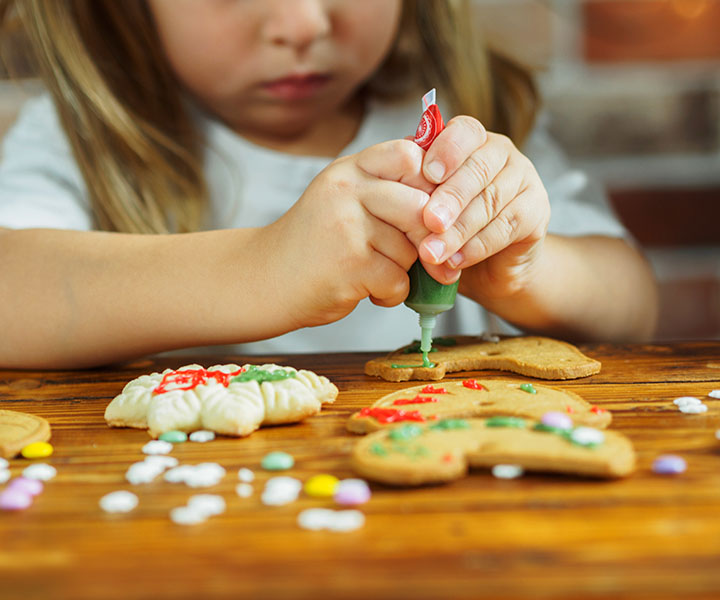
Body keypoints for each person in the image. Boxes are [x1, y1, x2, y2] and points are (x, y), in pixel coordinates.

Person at [0, 0, 658, 369]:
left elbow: (634, 310)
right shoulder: (79, 132)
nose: (303, 23)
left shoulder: (475, 113)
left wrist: (527, 270)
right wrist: (263, 270)